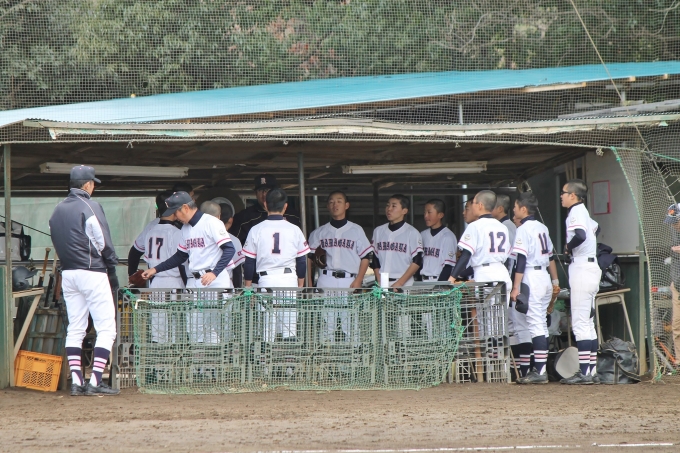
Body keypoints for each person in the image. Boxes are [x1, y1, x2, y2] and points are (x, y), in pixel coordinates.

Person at [49, 165, 120, 396]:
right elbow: (103, 242)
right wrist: (111, 267)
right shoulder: (91, 206)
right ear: (88, 185)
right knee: (107, 328)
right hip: (92, 271)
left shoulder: (57, 209)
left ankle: (77, 382)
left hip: (69, 274)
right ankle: (95, 380)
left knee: (76, 327)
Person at [242, 188, 309, 341]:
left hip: (266, 279)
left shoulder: (256, 229)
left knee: (267, 327)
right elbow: (301, 261)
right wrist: (300, 285)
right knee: (289, 328)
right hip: (288, 279)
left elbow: (249, 262)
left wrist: (248, 289)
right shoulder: (294, 229)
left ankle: (267, 355)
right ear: (285, 206)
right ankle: (289, 356)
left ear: (265, 204)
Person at [509, 192, 560, 384]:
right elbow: (550, 257)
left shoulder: (524, 228)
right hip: (544, 275)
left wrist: (516, 287)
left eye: (515, 207)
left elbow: (521, 260)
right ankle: (540, 369)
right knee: (541, 324)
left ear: (523, 209)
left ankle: (539, 371)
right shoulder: (542, 227)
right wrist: (555, 281)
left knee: (536, 323)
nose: (514, 210)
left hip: (531, 276)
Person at [141, 192, 235, 289]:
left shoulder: (211, 222)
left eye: (175, 212)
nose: (175, 217)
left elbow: (229, 249)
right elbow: (180, 256)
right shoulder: (185, 228)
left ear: (185, 208)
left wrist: (214, 273)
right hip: (195, 280)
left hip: (215, 280)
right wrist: (155, 269)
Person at [560, 179, 601, 384]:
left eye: (564, 193)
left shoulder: (576, 211)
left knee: (580, 323)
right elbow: (596, 228)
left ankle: (585, 373)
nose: (561, 196)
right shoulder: (583, 211)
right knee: (588, 323)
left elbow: (581, 235)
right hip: (590, 266)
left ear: (573, 196)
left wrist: (568, 247)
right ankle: (591, 371)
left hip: (583, 268)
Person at [308, 191, 373, 289]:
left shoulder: (356, 230)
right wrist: (309, 283)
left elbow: (365, 257)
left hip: (349, 280)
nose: (335, 205)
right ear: (327, 206)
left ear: (346, 205)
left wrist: (359, 280)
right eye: (331, 202)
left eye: (339, 201)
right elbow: (309, 258)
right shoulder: (319, 232)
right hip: (326, 278)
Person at [128, 190, 188, 287]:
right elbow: (181, 263)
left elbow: (138, 254)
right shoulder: (176, 232)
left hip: (155, 282)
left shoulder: (150, 231)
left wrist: (132, 273)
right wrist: (186, 284)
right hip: (173, 282)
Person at [229, 174, 301, 246]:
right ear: (256, 193)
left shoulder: (292, 215)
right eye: (260, 190)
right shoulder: (244, 217)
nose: (264, 194)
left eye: (267, 190)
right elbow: (234, 245)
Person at [371, 194, 423, 288]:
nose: (389, 209)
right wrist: (379, 280)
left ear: (404, 211)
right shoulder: (378, 231)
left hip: (404, 283)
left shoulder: (412, 232)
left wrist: (399, 283)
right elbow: (375, 258)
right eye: (387, 205)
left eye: (394, 206)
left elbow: (417, 261)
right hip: (382, 282)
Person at [201, 200, 244, 288]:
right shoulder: (233, 240)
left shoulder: (195, 234)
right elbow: (237, 272)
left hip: (201, 280)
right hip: (224, 282)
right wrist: (237, 291)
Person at [420, 199, 457, 282]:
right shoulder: (422, 235)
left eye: (429, 212)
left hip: (437, 280)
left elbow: (448, 266)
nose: (426, 216)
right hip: (423, 281)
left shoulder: (448, 236)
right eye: (424, 212)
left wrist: (439, 286)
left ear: (440, 215)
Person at [665, 203, 680, 365]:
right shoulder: (673, 232)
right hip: (677, 283)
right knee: (676, 324)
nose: (674, 225)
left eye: (676, 221)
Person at [493, 194, 517, 273]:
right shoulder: (501, 225)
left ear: (500, 209)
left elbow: (509, 256)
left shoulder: (506, 226)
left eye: (492, 206)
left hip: (508, 270)